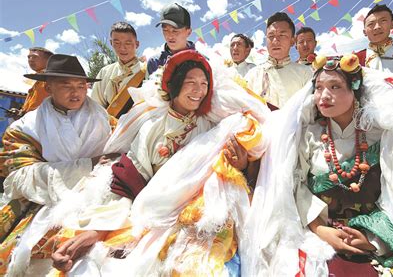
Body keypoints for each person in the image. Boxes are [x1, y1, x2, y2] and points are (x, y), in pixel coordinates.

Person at [245, 55, 393, 276]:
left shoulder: (383, 135)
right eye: (319, 87)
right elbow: (296, 187)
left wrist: (374, 239)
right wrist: (320, 229)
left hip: (378, 235)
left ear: (355, 90)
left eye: (335, 87)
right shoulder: (308, 137)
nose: (324, 95)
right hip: (320, 233)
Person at [50, 50, 269, 276]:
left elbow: (236, 172)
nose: (198, 90)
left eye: (204, 83)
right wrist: (98, 230)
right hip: (154, 214)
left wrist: (242, 165)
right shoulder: (152, 128)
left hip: (199, 215)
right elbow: (127, 182)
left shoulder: (214, 126)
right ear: (173, 85)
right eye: (190, 82)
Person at [0, 54, 118, 276]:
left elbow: (123, 155)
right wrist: (86, 166)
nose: (76, 92)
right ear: (48, 87)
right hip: (41, 202)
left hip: (98, 198)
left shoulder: (108, 122)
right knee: (24, 258)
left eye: (81, 85)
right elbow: (19, 175)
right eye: (66, 85)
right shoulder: (24, 129)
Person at [245, 12, 313, 110]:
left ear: (292, 41)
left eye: (282, 35)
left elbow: (310, 112)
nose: (275, 41)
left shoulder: (305, 73)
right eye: (271, 36)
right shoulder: (252, 75)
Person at [91, 21, 146, 118]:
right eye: (117, 43)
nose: (122, 48)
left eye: (128, 43)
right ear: (111, 43)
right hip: (107, 128)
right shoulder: (104, 72)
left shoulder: (146, 71)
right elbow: (95, 106)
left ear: (137, 44)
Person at [146, 3, 195, 77]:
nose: (169, 36)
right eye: (165, 30)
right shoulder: (154, 62)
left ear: (188, 32)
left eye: (175, 31)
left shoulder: (201, 60)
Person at [6, 47, 53, 120]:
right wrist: (21, 112)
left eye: (35, 57)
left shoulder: (54, 79)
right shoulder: (37, 79)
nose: (30, 59)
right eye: (29, 57)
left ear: (48, 60)